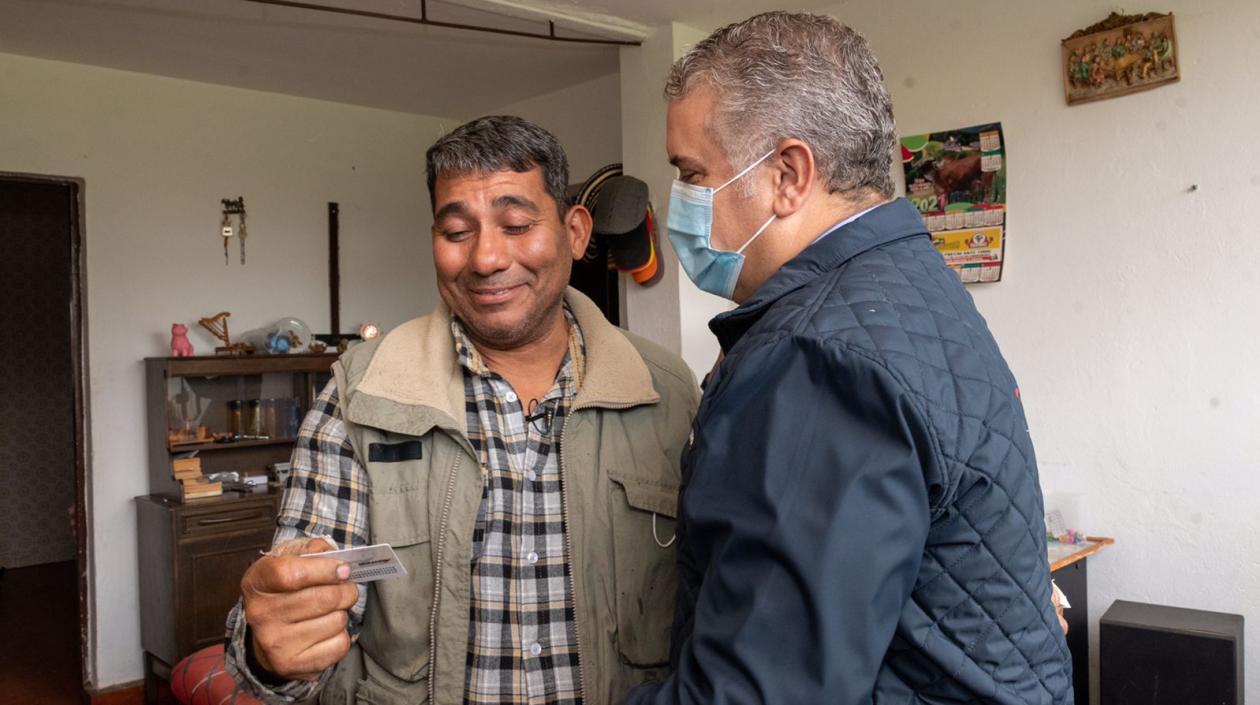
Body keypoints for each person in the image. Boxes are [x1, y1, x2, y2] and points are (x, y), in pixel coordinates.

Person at [627, 12, 1073, 705]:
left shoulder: (819, 355)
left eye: (691, 173)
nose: (681, 200)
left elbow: (760, 691)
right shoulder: (909, 285)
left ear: (788, 175)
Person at [224, 115, 699, 705]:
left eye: (517, 224)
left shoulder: (669, 394)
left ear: (576, 232)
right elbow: (298, 611)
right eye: (456, 232)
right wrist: (273, 649)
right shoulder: (360, 397)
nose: (486, 259)